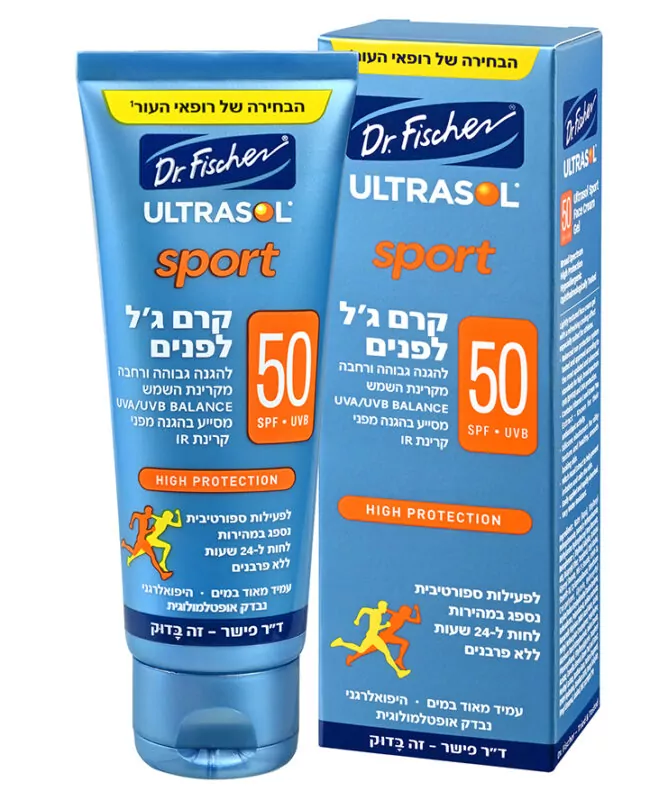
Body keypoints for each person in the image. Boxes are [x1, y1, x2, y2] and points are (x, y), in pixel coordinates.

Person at [330, 600, 411, 678]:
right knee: (382, 653)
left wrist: (357, 619)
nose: (385, 609)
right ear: (381, 607)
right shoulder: (377, 614)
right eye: (385, 607)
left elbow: (364, 609)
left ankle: (399, 672)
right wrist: (385, 625)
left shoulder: (374, 612)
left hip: (373, 636)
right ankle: (341, 642)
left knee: (367, 650)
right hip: (372, 637)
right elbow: (375, 627)